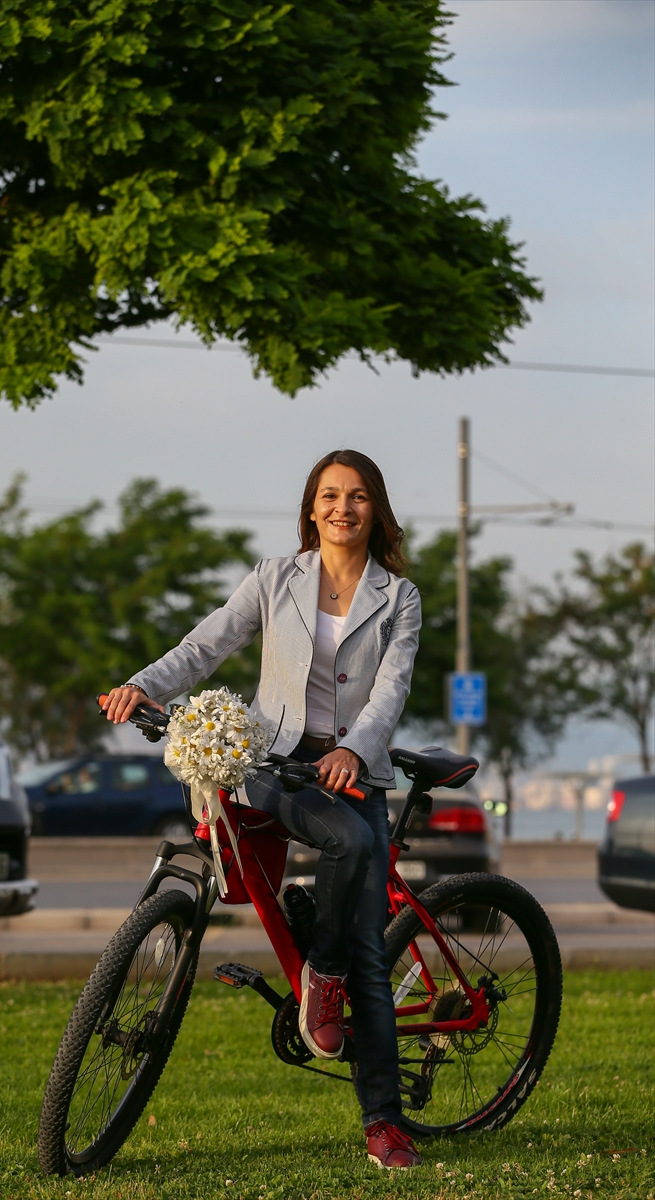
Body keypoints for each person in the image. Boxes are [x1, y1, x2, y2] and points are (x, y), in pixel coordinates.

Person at [102, 449, 423, 1171]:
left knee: (368, 942)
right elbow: (205, 645)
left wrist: (354, 751)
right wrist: (139, 686)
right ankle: (322, 962)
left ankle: (380, 1113)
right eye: (331, 495)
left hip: (350, 775)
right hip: (271, 764)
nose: (344, 508)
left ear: (376, 511)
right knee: (343, 846)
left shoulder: (398, 597)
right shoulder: (275, 579)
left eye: (359, 496)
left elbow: (390, 691)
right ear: (312, 509)